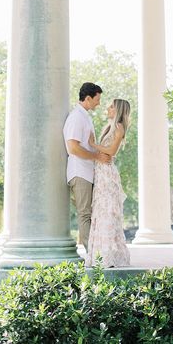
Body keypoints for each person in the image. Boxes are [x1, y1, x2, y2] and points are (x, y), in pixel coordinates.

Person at [63, 82, 110, 251]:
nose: (99, 103)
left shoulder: (84, 117)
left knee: (90, 214)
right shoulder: (76, 118)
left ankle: (95, 252)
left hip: (87, 172)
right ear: (88, 98)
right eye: (97, 99)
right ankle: (92, 255)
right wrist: (97, 156)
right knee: (85, 214)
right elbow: (73, 147)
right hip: (79, 172)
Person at [85, 98, 131, 268]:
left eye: (111, 106)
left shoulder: (119, 127)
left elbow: (111, 152)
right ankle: (100, 255)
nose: (108, 108)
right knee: (100, 212)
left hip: (107, 175)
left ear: (118, 110)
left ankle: (109, 256)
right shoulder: (108, 127)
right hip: (100, 173)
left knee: (108, 212)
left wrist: (92, 144)